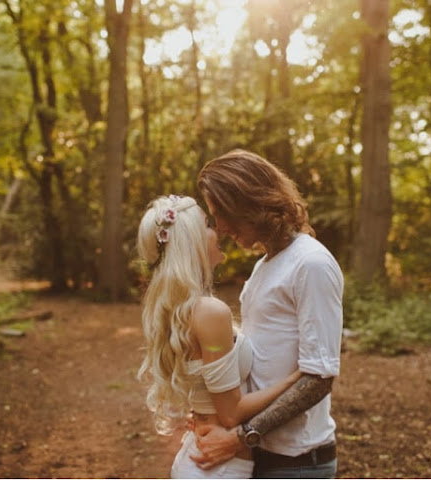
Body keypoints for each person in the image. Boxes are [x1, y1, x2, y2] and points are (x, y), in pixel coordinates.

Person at [193, 149, 344, 479]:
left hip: (298, 462)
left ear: (252, 202)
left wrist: (240, 437)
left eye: (223, 213)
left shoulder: (311, 264)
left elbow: (319, 378)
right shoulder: (264, 266)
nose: (219, 226)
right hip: (261, 453)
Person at [137, 194, 302, 479]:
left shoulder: (183, 309)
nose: (219, 230)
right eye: (208, 225)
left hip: (202, 459)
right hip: (218, 470)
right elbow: (231, 413)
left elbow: (213, 392)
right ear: (193, 241)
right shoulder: (210, 312)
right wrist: (295, 378)